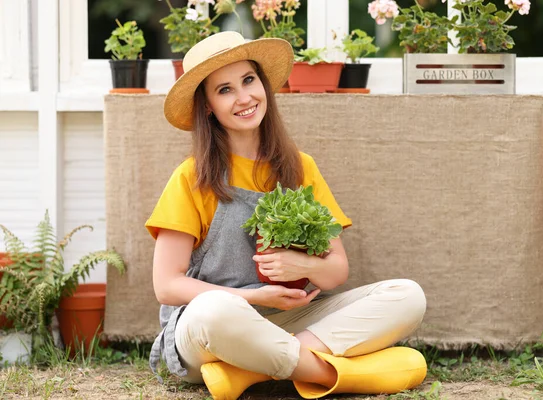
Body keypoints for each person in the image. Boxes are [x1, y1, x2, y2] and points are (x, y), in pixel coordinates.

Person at [146, 31, 428, 400]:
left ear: (264, 85)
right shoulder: (192, 176)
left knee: (407, 296)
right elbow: (167, 285)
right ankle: (335, 375)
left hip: (286, 321)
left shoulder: (299, 168)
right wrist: (254, 296)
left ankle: (248, 371)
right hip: (212, 331)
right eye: (225, 89)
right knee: (213, 309)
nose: (244, 97)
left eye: (249, 80)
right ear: (208, 107)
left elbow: (336, 271)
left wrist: (301, 265)